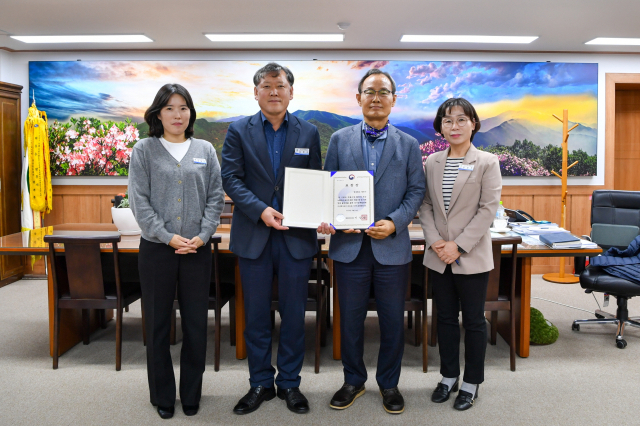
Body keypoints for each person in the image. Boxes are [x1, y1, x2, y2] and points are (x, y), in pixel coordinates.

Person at [318, 68, 425, 415]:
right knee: (349, 318)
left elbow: (416, 191)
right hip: (349, 251)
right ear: (358, 98)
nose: (376, 98)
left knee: (392, 320)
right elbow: (329, 187)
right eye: (369, 92)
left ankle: (389, 383)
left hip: (391, 247)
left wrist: (394, 223)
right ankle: (353, 380)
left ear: (394, 100)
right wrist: (337, 220)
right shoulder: (339, 139)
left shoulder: (408, 144)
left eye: (383, 92)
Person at [221, 62, 322, 415]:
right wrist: (261, 209)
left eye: (280, 85)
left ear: (291, 92)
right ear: (256, 92)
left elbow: (315, 180)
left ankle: (290, 385)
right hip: (255, 235)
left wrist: (319, 212)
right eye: (267, 86)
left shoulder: (308, 132)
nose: (274, 91)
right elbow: (231, 179)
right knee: (257, 316)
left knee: (295, 316)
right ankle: (260, 383)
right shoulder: (238, 130)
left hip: (296, 238)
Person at [128, 83, 225, 419]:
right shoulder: (144, 150)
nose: (177, 114)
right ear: (158, 113)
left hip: (197, 250)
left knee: (197, 324)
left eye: (183, 107)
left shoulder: (205, 150)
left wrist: (203, 235)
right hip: (157, 250)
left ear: (190, 113)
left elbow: (216, 197)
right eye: (169, 108)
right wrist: (167, 237)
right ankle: (163, 396)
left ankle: (192, 393)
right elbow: (139, 202)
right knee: (157, 324)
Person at [418, 97, 502, 411]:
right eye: (448, 120)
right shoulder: (434, 162)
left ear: (474, 124)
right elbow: (425, 205)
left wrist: (459, 245)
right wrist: (437, 241)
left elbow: (487, 210)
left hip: (470, 255)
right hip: (438, 255)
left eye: (461, 119)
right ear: (440, 127)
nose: (455, 126)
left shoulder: (487, 162)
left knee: (474, 321)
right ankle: (449, 376)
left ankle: (471, 382)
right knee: (445, 320)